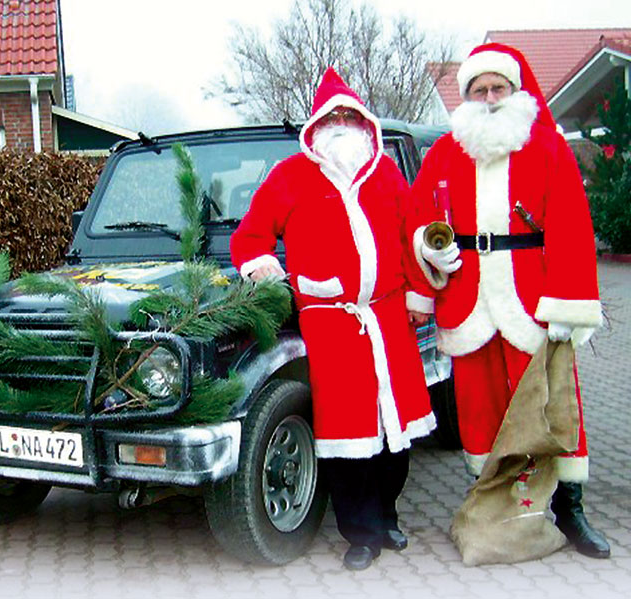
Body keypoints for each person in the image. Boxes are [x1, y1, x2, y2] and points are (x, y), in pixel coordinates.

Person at [408, 43, 610, 558]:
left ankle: (570, 507)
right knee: (479, 409)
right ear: (467, 97)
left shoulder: (546, 147)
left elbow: (570, 227)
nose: (491, 97)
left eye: (499, 87)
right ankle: (493, 503)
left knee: (551, 406)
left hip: (532, 297)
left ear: (515, 91)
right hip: (468, 298)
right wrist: (430, 250)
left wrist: (568, 305)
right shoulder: (446, 152)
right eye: (480, 90)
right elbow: (418, 216)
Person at [230, 68, 436, 570]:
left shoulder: (384, 171)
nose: (341, 123)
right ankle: (360, 532)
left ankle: (387, 515)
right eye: (333, 116)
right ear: (319, 123)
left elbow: (413, 233)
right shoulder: (291, 176)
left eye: (350, 114)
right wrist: (270, 274)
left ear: (363, 121)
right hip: (332, 324)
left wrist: (418, 293)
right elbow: (250, 238)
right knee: (349, 437)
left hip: (388, 319)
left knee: (396, 432)